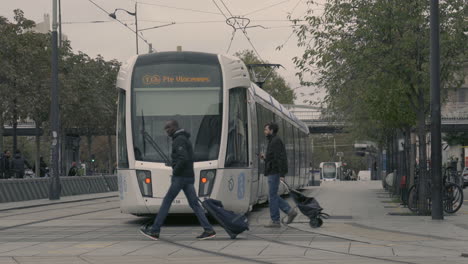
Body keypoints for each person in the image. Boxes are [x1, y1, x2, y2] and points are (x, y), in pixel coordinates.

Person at [140, 120, 216, 241]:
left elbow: (183, 158)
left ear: (175, 127)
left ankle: (155, 230)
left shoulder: (179, 140)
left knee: (166, 202)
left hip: (181, 177)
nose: (167, 131)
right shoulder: (183, 139)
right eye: (165, 128)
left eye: (168, 128)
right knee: (194, 204)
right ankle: (208, 229)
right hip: (188, 177)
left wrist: (175, 170)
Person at [260, 122, 297, 227]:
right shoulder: (273, 141)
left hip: (274, 172)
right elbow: (274, 158)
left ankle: (275, 220)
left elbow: (280, 158)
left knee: (272, 196)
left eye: (266, 130)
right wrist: (265, 158)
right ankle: (290, 212)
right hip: (273, 171)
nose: (265, 132)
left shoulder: (275, 141)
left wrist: (282, 173)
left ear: (271, 130)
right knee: (273, 195)